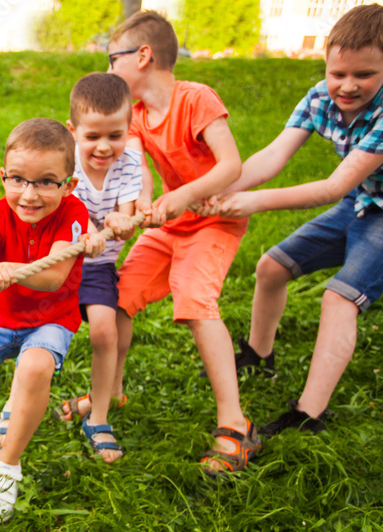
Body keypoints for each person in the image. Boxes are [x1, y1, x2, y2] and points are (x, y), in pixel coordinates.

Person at [208, 4, 383, 437]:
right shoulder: (319, 96)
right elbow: (273, 156)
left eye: (363, 75)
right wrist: (220, 190)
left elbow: (334, 186)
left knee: (339, 298)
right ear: (327, 63)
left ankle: (308, 415)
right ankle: (259, 356)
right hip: (365, 197)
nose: (346, 86)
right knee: (271, 267)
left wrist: (254, 202)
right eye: (338, 73)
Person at [106, 11, 257, 475]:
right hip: (170, 226)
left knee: (194, 300)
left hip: (213, 222)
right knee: (118, 299)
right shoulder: (135, 115)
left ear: (143, 56)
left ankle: (235, 423)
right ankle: (107, 393)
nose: (110, 70)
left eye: (114, 59)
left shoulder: (196, 99)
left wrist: (184, 196)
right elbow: (139, 175)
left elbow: (230, 165)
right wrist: (138, 209)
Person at [0, 117, 105, 523]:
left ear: (69, 185)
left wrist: (9, 267)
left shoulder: (73, 213)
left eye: (46, 182)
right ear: (3, 177)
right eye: (18, 180)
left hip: (50, 319)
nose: (29, 194)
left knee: (35, 365)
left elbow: (54, 278)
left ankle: (5, 467)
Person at [53, 72, 143, 462]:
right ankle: (11, 407)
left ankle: (99, 418)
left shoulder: (131, 164)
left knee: (105, 332)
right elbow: (64, 208)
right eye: (92, 137)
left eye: (115, 135)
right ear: (73, 131)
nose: (104, 147)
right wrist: (88, 229)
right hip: (61, 259)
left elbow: (125, 215)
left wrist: (124, 219)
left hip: (98, 267)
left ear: (129, 128)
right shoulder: (65, 162)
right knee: (27, 330)